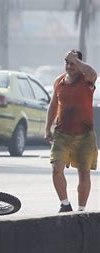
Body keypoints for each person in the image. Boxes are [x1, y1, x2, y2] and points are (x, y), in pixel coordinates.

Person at [44, 49, 98, 213]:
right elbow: (53, 105)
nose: (69, 66)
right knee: (56, 169)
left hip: (85, 136)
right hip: (62, 135)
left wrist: (77, 60)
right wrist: (48, 127)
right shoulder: (59, 82)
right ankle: (65, 204)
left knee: (84, 174)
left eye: (73, 63)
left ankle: (81, 211)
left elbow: (93, 73)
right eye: (67, 63)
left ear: (79, 64)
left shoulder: (86, 79)